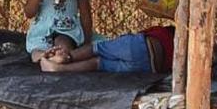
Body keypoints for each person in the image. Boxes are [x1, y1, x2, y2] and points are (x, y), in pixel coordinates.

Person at [40, 25, 175, 74]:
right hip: (148, 69)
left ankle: (68, 57)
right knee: (98, 64)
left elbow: (141, 36)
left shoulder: (164, 31)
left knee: (96, 48)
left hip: (140, 46)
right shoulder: (186, 55)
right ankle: (60, 70)